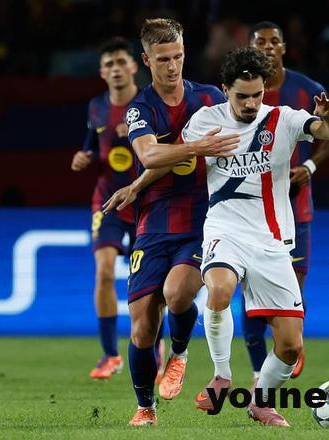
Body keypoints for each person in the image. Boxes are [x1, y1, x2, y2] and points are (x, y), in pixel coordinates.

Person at [179, 47, 329, 426]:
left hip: (272, 240)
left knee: (291, 345)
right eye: (242, 96)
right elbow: (179, 159)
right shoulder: (205, 121)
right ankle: (221, 376)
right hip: (225, 229)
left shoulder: (283, 119)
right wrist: (190, 151)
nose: (251, 103)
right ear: (225, 90)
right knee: (219, 288)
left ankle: (262, 402)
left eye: (257, 95)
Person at [102, 18, 238, 426]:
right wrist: (143, 181)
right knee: (143, 327)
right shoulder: (141, 108)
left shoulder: (210, 97)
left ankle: (178, 353)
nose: (173, 65)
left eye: (178, 56)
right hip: (153, 221)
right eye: (163, 59)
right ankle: (145, 408)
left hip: (203, 220)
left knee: (178, 294)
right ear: (146, 60)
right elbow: (149, 155)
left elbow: (239, 135)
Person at [242, 20, 329, 381]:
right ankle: (259, 372)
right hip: (252, 208)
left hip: (295, 207)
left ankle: (292, 340)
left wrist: (310, 166)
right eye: (260, 41)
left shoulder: (307, 90)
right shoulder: (242, 91)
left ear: (283, 48)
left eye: (274, 41)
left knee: (292, 286)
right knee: (252, 293)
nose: (268, 46)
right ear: (251, 48)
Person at [70, 37, 165, 381]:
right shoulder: (96, 107)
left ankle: (156, 349)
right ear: (102, 72)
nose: (115, 69)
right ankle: (110, 355)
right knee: (105, 272)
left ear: (134, 66)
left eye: (121, 62)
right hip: (108, 201)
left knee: (152, 284)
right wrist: (84, 157)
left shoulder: (149, 104)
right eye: (109, 64)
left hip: (146, 202)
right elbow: (91, 146)